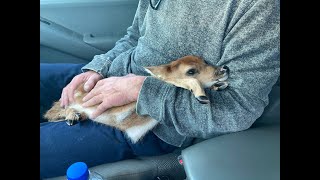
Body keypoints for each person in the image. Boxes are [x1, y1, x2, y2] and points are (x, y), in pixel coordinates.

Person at [40, 0, 280, 178]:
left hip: (151, 120)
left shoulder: (261, 9)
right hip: (112, 77)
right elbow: (135, 37)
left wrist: (141, 89)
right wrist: (97, 69)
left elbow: (237, 110)